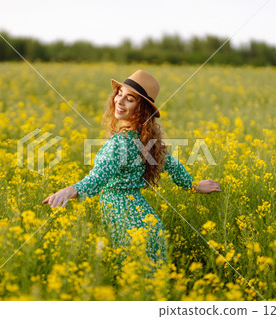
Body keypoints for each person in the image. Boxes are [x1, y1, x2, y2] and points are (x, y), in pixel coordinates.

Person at [42, 70, 221, 267]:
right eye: (119, 93)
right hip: (146, 224)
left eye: (129, 99)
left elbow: (97, 178)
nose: (119, 101)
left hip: (130, 227)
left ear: (141, 108)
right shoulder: (144, 139)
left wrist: (69, 191)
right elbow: (169, 162)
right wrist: (193, 185)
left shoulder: (120, 143)